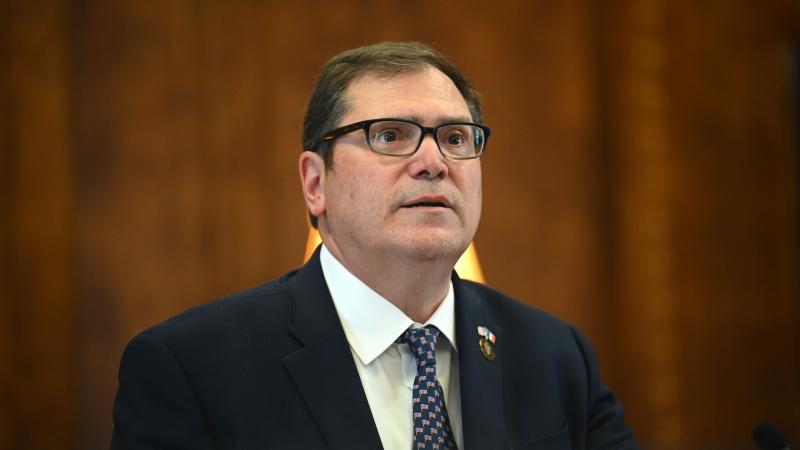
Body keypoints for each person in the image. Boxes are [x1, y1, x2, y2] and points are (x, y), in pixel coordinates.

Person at [111, 42, 640, 450]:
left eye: (456, 138)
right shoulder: (190, 367)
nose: (433, 161)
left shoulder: (556, 355)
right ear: (316, 183)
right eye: (389, 136)